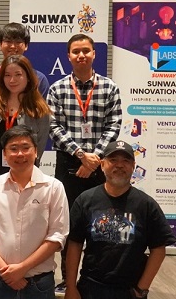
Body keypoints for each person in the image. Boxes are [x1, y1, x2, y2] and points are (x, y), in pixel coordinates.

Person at [47, 33, 122, 293]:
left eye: (85, 51)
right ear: (68, 56)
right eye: (75, 51)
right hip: (68, 164)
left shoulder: (109, 88)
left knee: (101, 223)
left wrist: (94, 158)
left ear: (94, 54)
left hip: (101, 166)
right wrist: (81, 155)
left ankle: (95, 278)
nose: (81, 55)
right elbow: (53, 126)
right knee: (67, 225)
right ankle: (68, 281)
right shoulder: (57, 89)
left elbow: (114, 126)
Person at [64, 140, 176, 299]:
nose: (119, 165)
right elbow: (74, 244)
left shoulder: (146, 205)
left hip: (129, 290)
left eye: (126, 161)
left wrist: (141, 289)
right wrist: (70, 286)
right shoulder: (85, 200)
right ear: (102, 165)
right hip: (90, 287)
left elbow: (159, 249)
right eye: (113, 160)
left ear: (133, 166)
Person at [0, 125, 69, 299]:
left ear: (36, 152)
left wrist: (22, 269)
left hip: (39, 283)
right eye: (13, 149)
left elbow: (57, 236)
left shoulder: (54, 187)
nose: (20, 154)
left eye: (26, 148)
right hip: (0, 280)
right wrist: (7, 272)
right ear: (4, 154)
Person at [0, 22, 50, 132]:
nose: (13, 46)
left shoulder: (39, 80)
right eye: (8, 41)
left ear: (26, 46)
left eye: (18, 42)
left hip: (27, 146)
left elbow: (43, 118)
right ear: (0, 45)